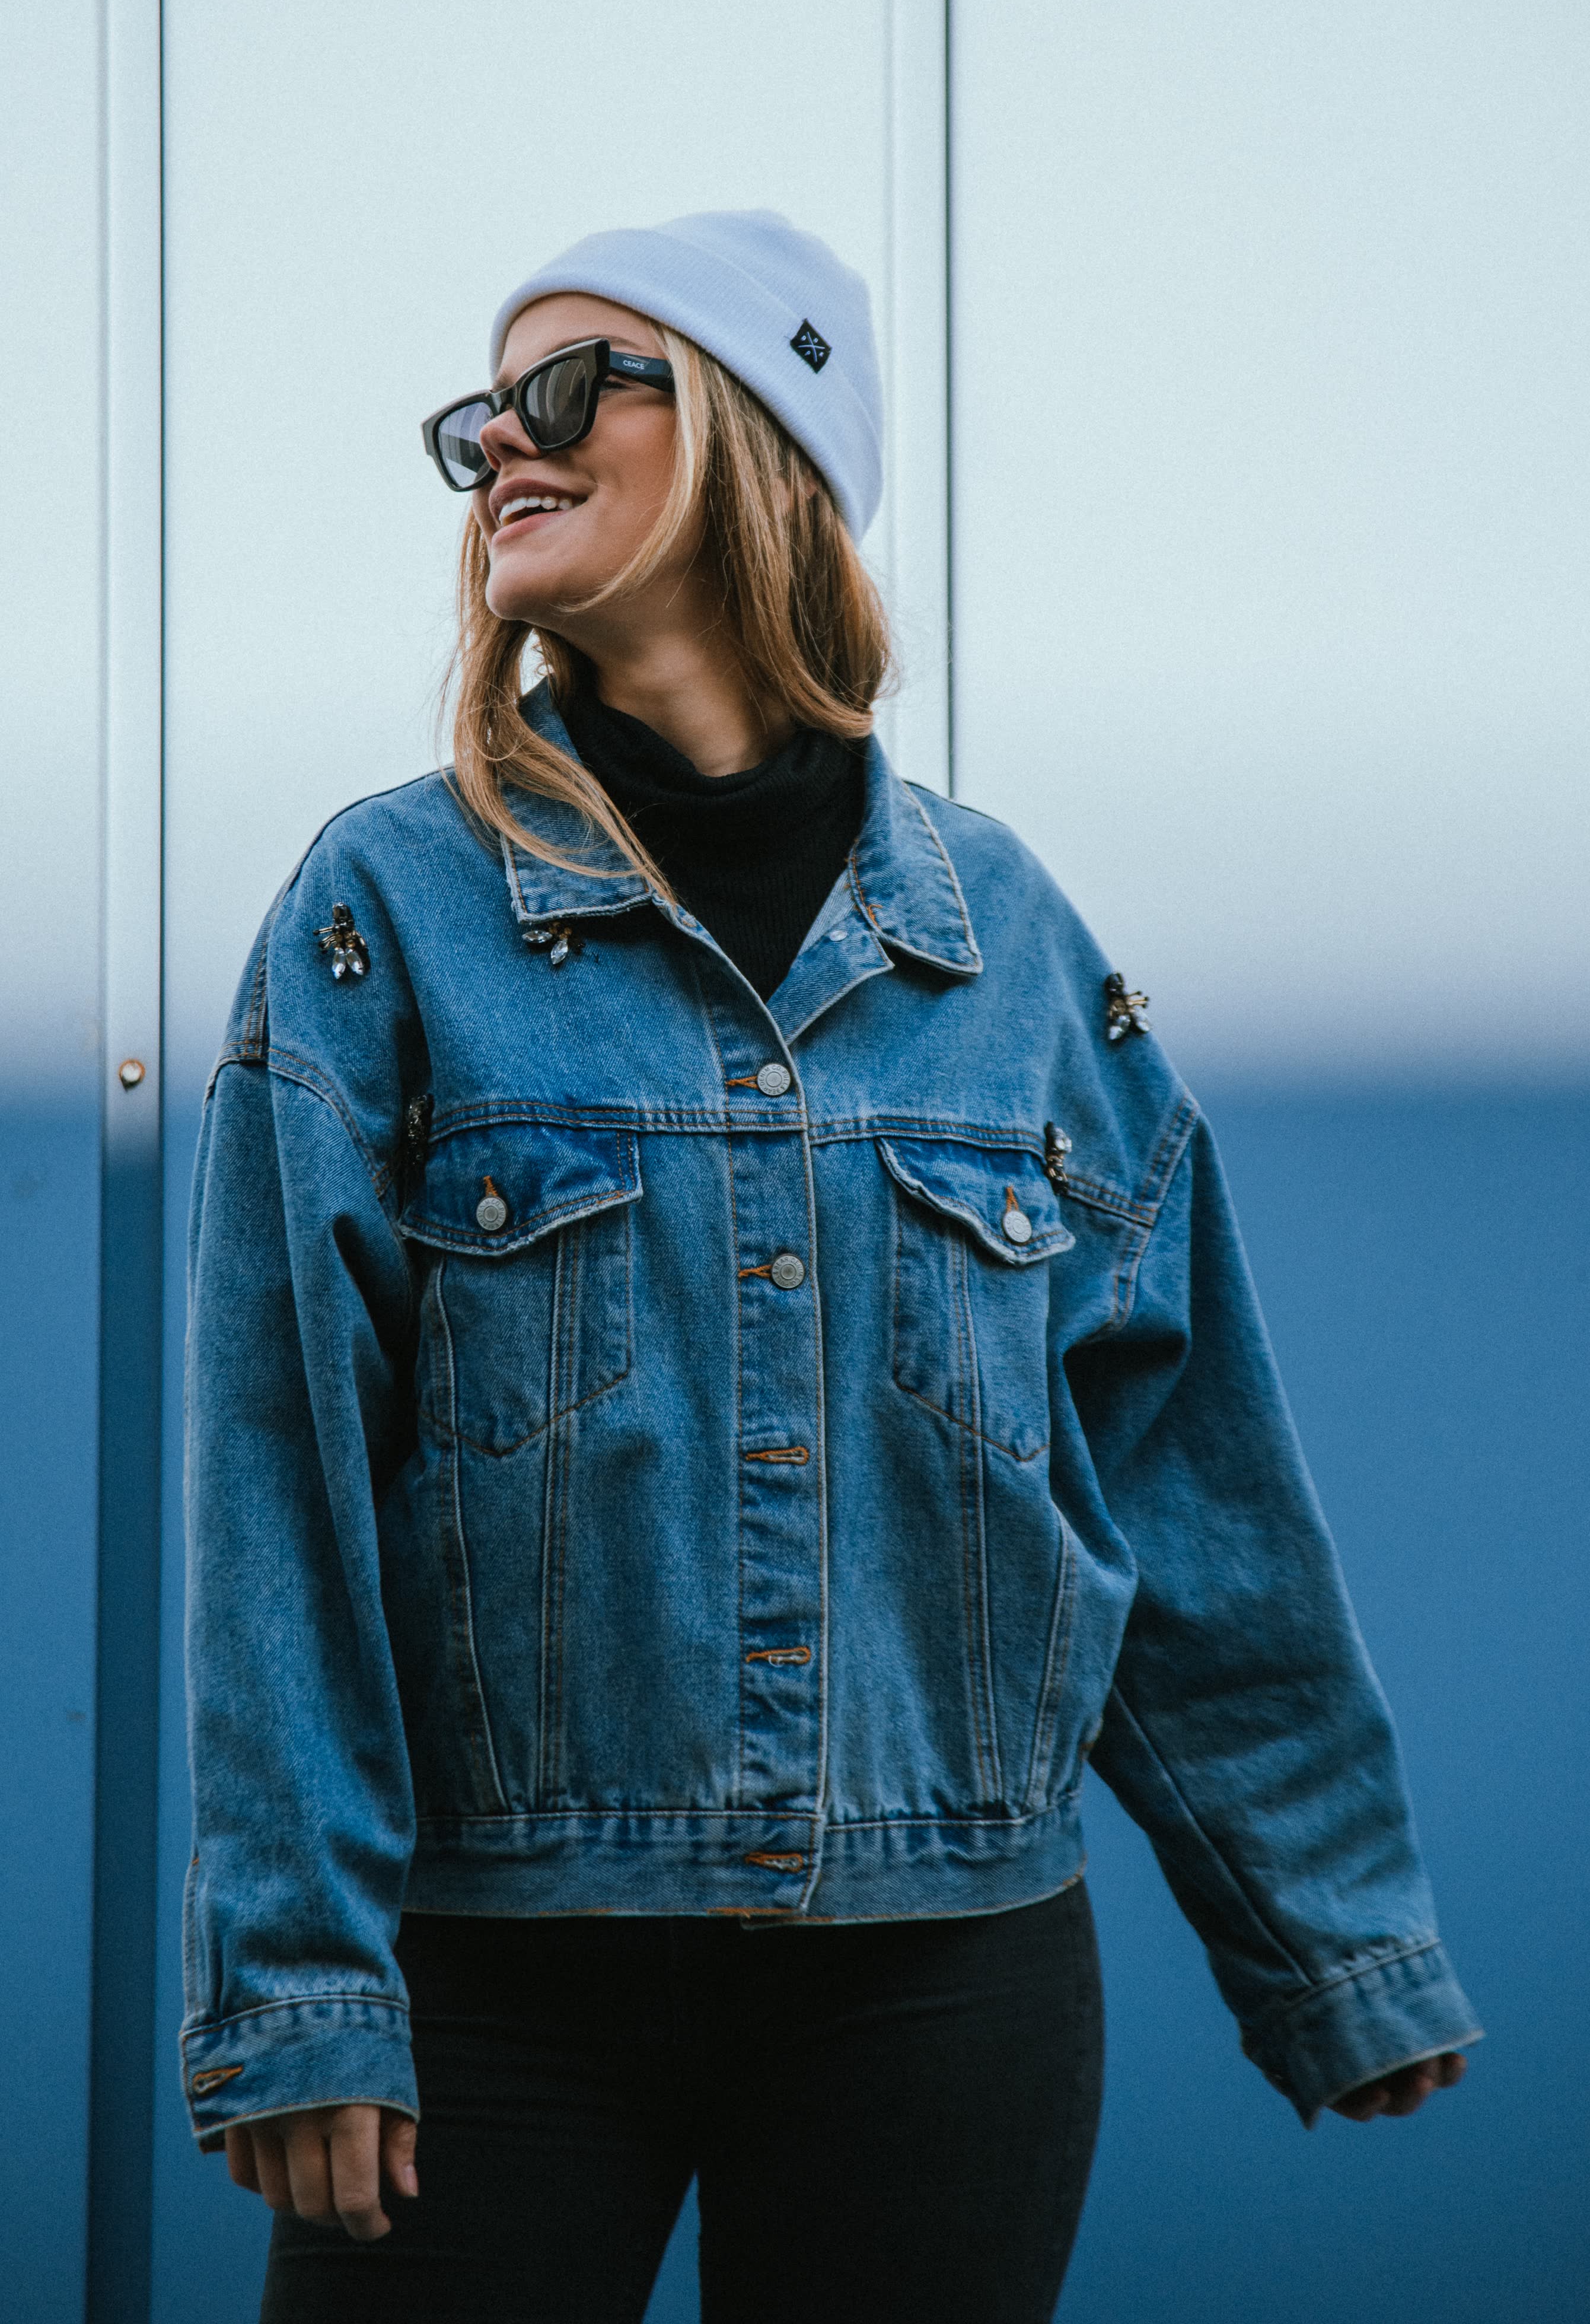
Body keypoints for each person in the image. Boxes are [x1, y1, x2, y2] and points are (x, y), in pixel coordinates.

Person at [180, 211, 1479, 2323]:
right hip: (497, 1975)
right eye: (476, 415)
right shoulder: (387, 908)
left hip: (947, 1982)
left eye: (569, 385)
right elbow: (280, 1479)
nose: (501, 441)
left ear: (764, 442)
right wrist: (301, 1986)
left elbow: (1174, 1466)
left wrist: (1332, 1940)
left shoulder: (1004, 940)